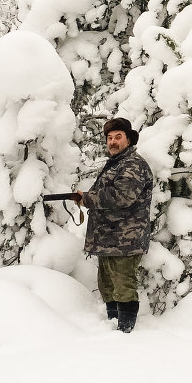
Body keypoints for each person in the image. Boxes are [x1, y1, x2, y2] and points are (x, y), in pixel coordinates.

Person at [77, 117, 153, 333]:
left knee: (123, 286)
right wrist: (85, 197)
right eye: (109, 138)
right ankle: (113, 325)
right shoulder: (116, 164)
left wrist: (89, 199)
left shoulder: (133, 165)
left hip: (125, 239)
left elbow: (122, 197)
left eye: (118, 137)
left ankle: (125, 333)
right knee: (107, 285)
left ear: (128, 140)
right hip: (110, 238)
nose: (113, 142)